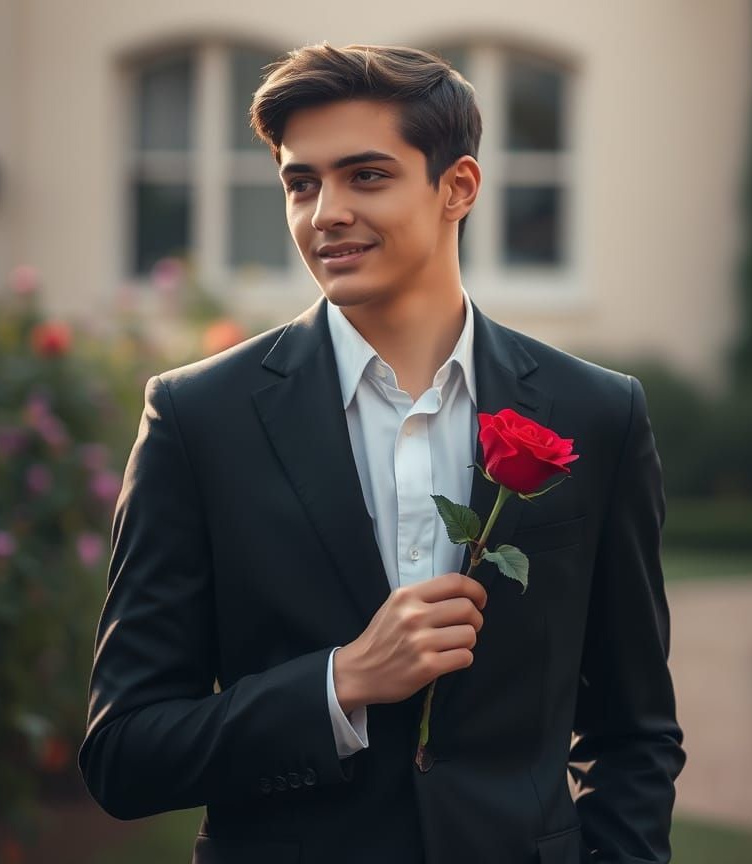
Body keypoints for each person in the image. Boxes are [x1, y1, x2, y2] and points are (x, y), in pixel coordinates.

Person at [78, 42, 686, 863]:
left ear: (457, 188)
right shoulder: (197, 419)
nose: (325, 212)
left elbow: (635, 733)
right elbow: (124, 752)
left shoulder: (596, 413)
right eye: (302, 183)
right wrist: (340, 683)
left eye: (365, 176)